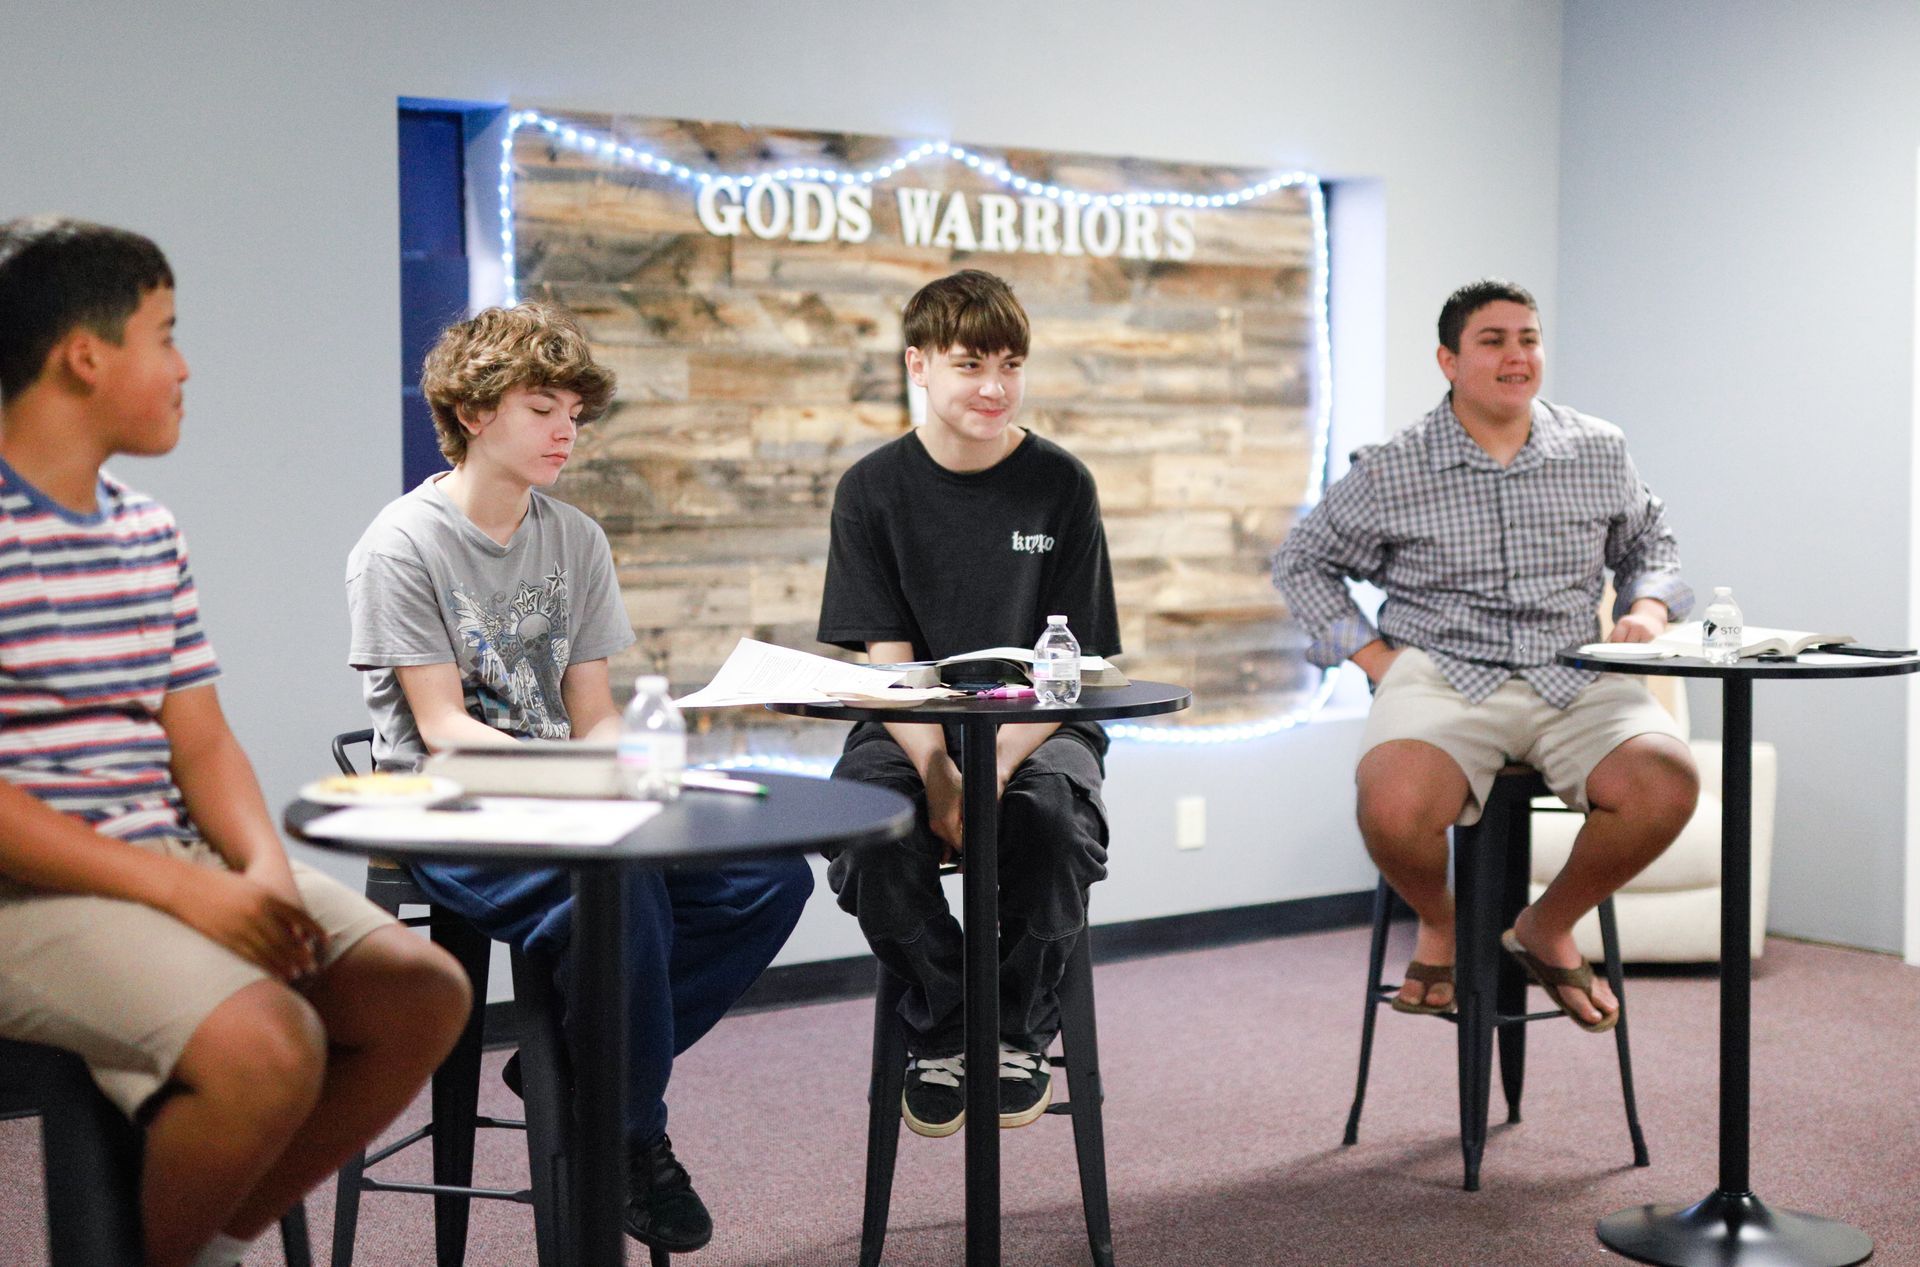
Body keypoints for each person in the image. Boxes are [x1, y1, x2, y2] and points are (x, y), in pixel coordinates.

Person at [0, 216, 471, 1267]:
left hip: (159, 862)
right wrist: (186, 893)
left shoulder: (145, 530)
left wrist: (256, 871)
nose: (184, 366)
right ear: (84, 354)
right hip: (23, 894)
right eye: (164, 334)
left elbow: (202, 742)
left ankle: (203, 1244)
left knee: (420, 992)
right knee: (273, 1043)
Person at [344, 301, 812, 1254]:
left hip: (571, 799)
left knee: (773, 874)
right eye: (542, 407)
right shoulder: (400, 544)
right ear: (475, 413)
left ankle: (592, 1068)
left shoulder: (577, 540)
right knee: (623, 887)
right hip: (450, 812)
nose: (567, 430)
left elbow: (591, 708)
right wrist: (586, 775)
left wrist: (635, 764)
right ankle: (628, 1130)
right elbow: (443, 732)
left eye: (575, 413)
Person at [1272, 278, 1700, 1031]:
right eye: (1493, 341)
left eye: (1528, 339)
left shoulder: (1598, 448)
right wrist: (1374, 658)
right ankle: (1442, 922)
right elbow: (1300, 560)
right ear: (1449, 359)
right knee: (1392, 805)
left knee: (1668, 780)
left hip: (1574, 670)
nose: (1516, 356)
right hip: (1442, 672)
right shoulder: (1392, 467)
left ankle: (1547, 924)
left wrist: (1647, 605)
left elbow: (1649, 543)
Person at [818, 269, 1120, 1137]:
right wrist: (944, 774)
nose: (994, 386)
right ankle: (949, 1025)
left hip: (1041, 721)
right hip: (909, 724)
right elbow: (891, 668)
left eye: (1011, 364)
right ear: (918, 364)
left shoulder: (1062, 484)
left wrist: (987, 764)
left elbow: (1076, 665)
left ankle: (1018, 1029)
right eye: (969, 363)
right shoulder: (871, 490)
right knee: (871, 835)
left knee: (1053, 825)